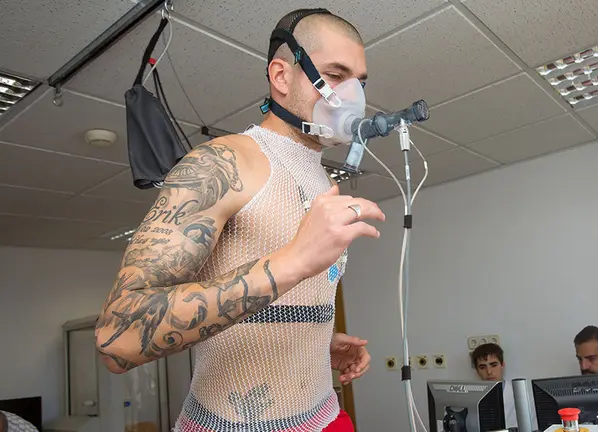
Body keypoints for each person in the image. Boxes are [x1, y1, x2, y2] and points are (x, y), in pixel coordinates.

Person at [95, 8, 384, 432]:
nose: (353, 95)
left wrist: (316, 342)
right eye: (336, 74)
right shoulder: (220, 163)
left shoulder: (323, 178)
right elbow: (116, 337)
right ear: (282, 76)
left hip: (323, 415)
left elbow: (269, 307)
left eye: (359, 82)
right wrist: (291, 262)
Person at [471, 343, 517, 429]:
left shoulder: (521, 397)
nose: (489, 372)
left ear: (502, 365)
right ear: (477, 371)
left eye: (493, 365)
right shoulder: (469, 399)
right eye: (482, 367)